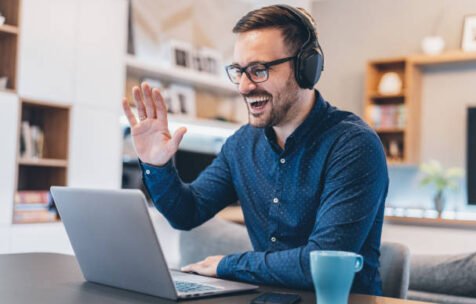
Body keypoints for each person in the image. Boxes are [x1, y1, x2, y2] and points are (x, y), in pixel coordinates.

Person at [122, 5, 388, 296]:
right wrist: (157, 166)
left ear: (306, 68)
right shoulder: (241, 145)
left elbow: (321, 261)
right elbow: (187, 213)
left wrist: (228, 264)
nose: (245, 87)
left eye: (259, 70)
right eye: (239, 71)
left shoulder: (353, 145)